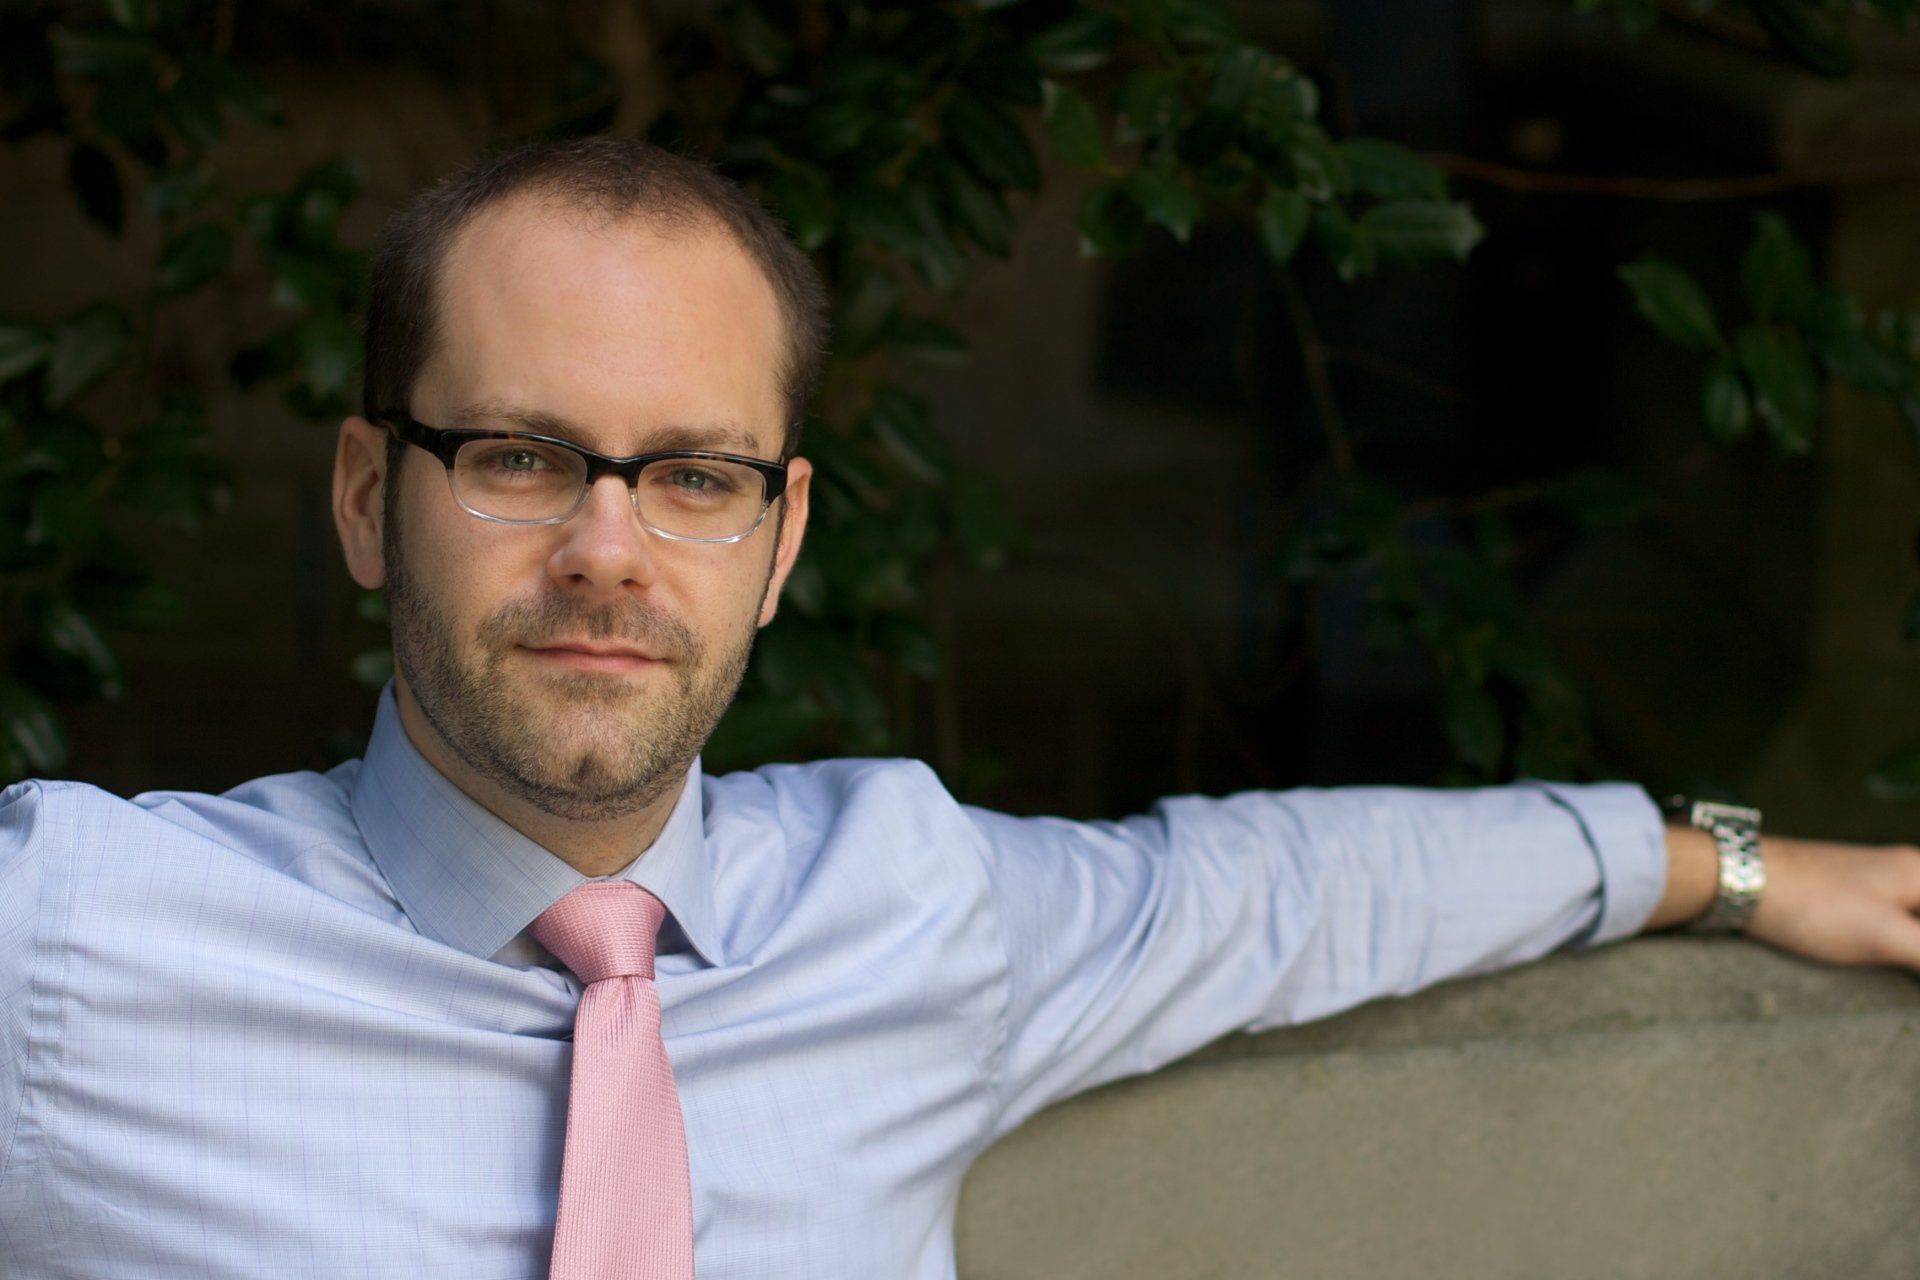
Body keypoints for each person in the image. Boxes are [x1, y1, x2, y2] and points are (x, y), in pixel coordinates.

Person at [2, 136, 1915, 1280]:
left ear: (780, 539)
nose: (607, 550)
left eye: (694, 477)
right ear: (366, 498)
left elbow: (1289, 888)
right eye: (519, 455)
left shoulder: (909, 907)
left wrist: (1729, 866)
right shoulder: (71, 945)